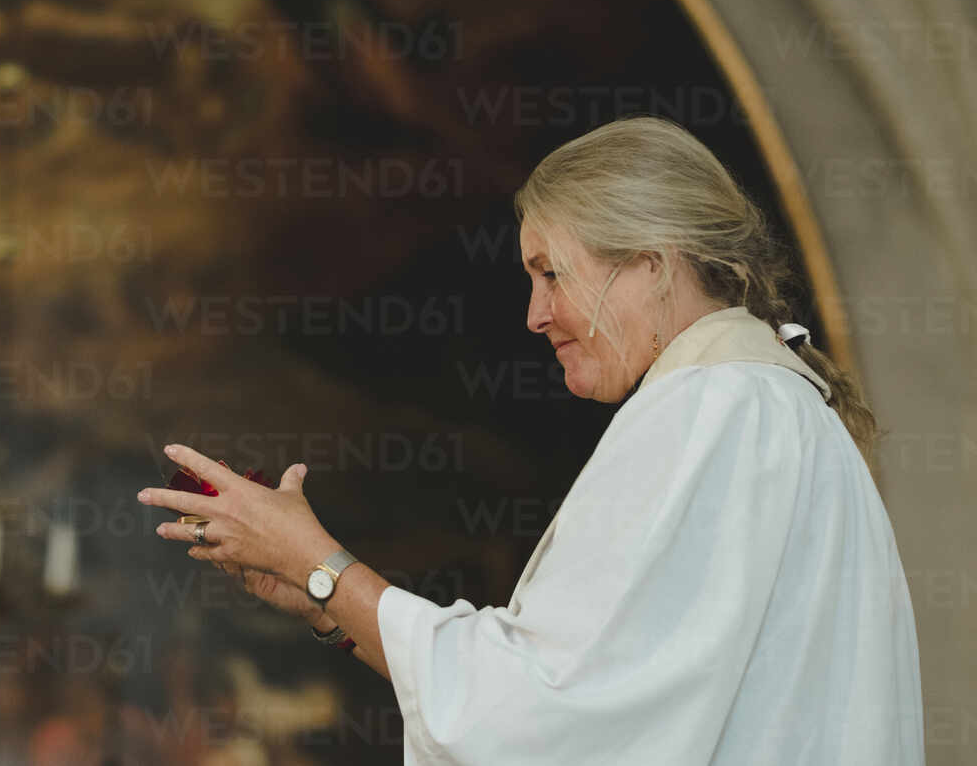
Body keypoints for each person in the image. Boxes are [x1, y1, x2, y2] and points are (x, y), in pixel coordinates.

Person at [137, 116, 924, 764]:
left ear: (651, 264)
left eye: (551, 273)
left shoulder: (711, 411)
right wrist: (322, 598)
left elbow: (540, 716)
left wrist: (318, 565)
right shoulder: (765, 404)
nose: (535, 314)